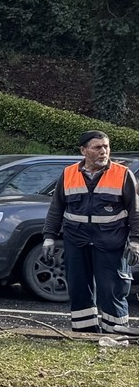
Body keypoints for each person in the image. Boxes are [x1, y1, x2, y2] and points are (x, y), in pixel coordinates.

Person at [42, 130, 139, 335]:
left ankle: (116, 334)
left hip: (111, 241)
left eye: (106, 147)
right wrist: (49, 237)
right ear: (84, 151)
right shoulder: (69, 174)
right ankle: (84, 334)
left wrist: (136, 241)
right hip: (77, 241)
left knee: (112, 289)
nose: (104, 151)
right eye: (97, 147)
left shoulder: (122, 174)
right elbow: (56, 208)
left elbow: (135, 211)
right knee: (78, 289)